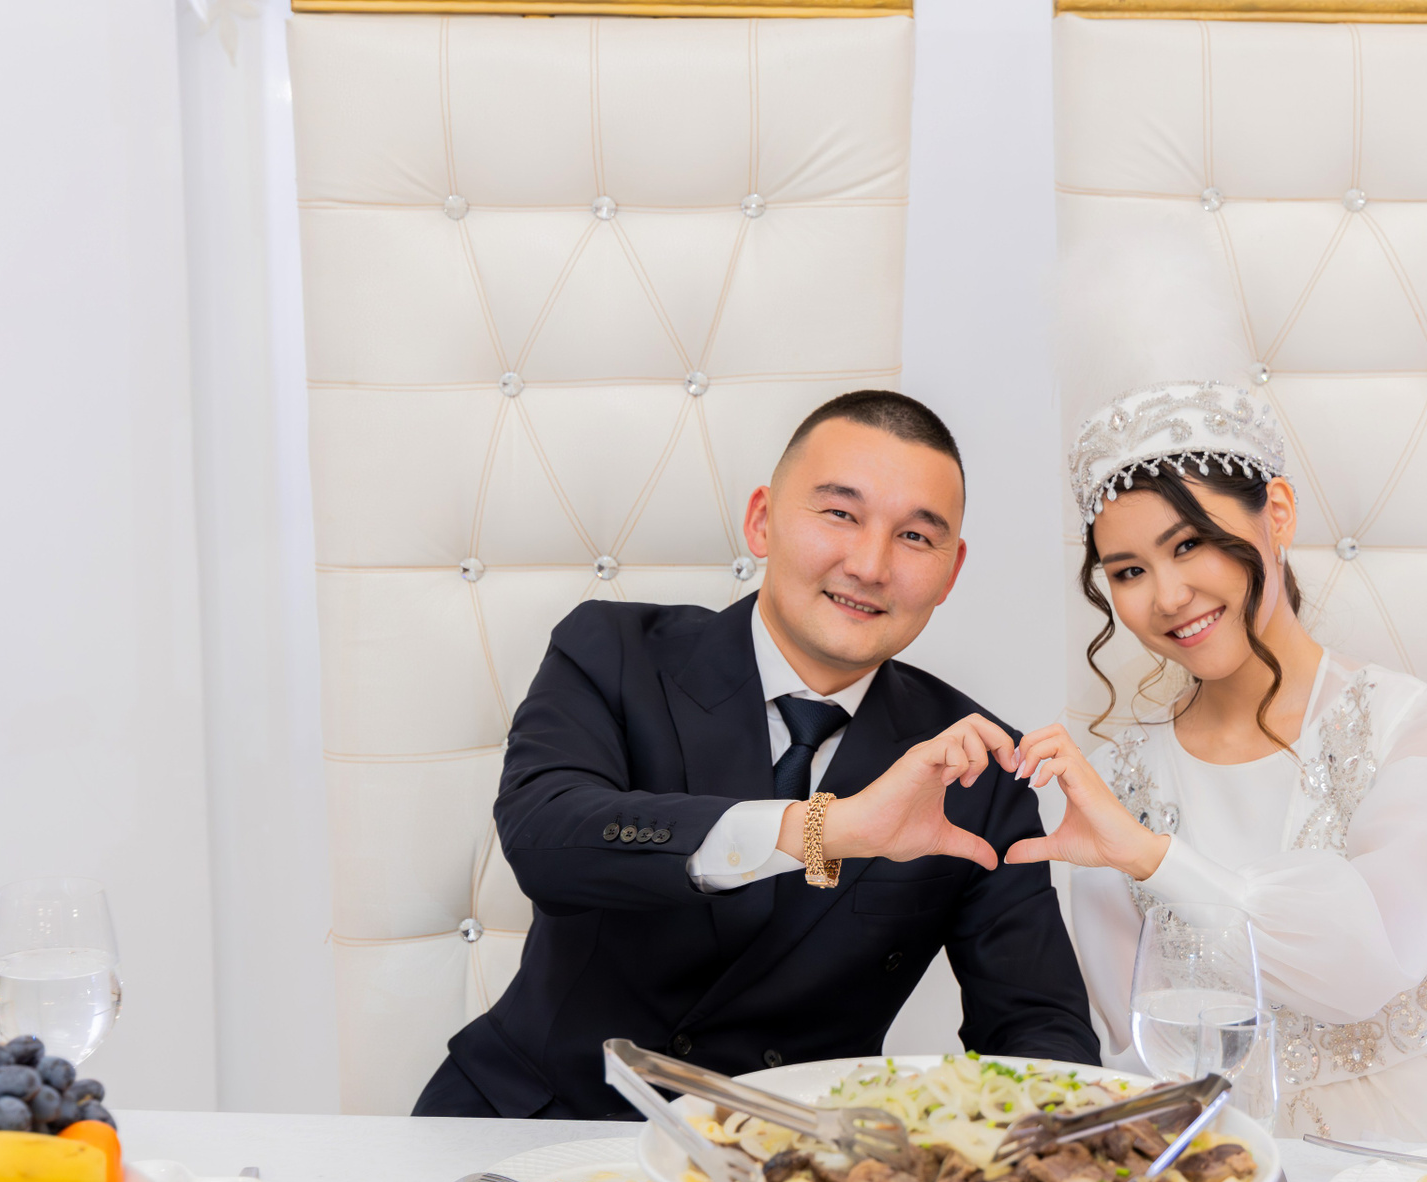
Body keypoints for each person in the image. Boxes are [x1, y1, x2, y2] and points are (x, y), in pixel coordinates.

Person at [415, 390, 1099, 1119]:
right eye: (840, 514)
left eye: (914, 537)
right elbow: (545, 837)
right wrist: (826, 829)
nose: (870, 565)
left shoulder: (975, 765)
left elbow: (1038, 1031)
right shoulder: (612, 652)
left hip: (782, 1164)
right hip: (535, 1120)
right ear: (762, 520)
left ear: (951, 570)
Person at [1006, 380, 1427, 1148]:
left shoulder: (1408, 720)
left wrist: (1153, 858)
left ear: (1277, 512)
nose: (1168, 596)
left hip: (1425, 1131)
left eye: (1190, 544)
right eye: (1128, 571)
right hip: (1217, 1140)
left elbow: (1360, 966)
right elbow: (1139, 1043)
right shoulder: (1116, 782)